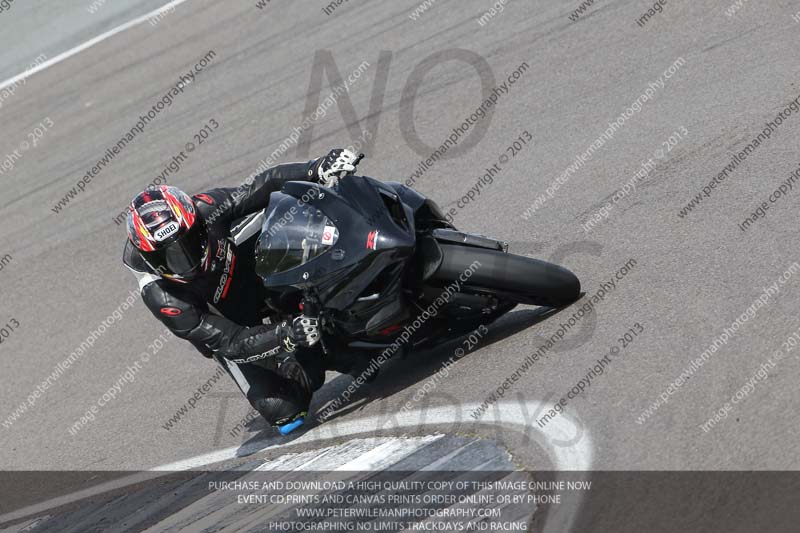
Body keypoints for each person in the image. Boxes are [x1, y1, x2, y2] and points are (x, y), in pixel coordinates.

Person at [122, 149, 361, 435]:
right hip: (235, 325)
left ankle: (346, 256)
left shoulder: (207, 209)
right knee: (285, 412)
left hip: (252, 272)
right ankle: (323, 345)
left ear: (197, 224)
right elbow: (231, 342)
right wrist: (287, 334)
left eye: (187, 245)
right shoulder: (162, 297)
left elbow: (265, 184)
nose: (183, 263)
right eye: (169, 258)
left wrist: (316, 168)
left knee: (281, 208)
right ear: (149, 258)